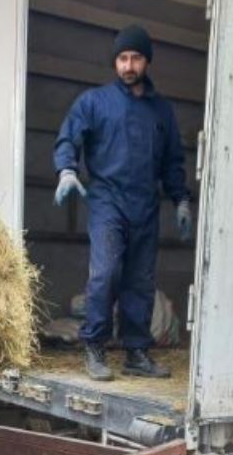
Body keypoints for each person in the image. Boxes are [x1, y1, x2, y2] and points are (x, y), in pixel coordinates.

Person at [53, 25, 193, 381]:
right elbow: (70, 136)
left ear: (147, 61)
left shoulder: (161, 111)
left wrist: (180, 200)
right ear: (115, 62)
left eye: (135, 57)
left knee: (140, 280)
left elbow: (173, 160)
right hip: (107, 201)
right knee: (106, 273)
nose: (129, 65)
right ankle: (95, 348)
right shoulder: (95, 102)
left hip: (146, 204)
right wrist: (67, 170)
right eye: (122, 58)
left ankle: (136, 352)